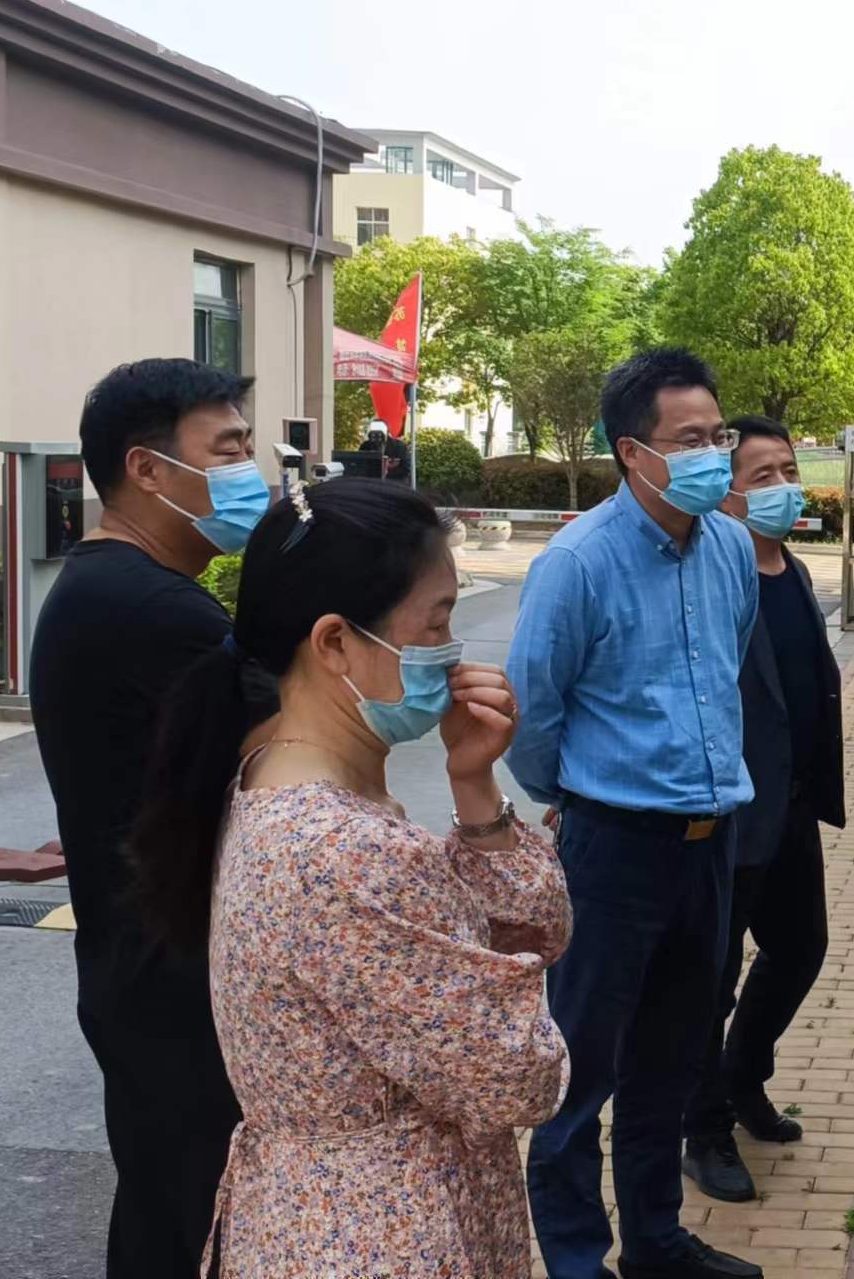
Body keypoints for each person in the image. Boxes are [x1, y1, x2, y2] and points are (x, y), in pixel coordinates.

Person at [127, 477, 567, 1278]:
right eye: (437, 622)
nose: (452, 650)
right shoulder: (348, 851)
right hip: (386, 1232)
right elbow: (518, 1077)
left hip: (309, 1220)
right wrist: (525, 1012)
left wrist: (474, 784)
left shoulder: (265, 774)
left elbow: (528, 932)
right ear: (334, 642)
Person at [512, 348, 764, 1279]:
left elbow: (727, 669)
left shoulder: (730, 547)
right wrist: (576, 798)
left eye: (718, 435)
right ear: (632, 451)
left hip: (708, 847)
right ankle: (578, 1259)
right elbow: (533, 715)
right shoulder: (577, 563)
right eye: (690, 440)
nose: (713, 454)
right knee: (580, 1071)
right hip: (612, 851)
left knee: (671, 1060)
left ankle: (655, 1243)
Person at [30, 358, 261, 1275]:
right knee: (193, 1220)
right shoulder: (151, 610)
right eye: (228, 451)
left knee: (166, 1208)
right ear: (148, 469)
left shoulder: (114, 587)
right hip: (175, 975)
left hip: (142, 963)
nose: (250, 472)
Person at [681, 416, 848, 1203]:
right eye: (763, 476)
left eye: (789, 471)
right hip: (725, 812)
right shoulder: (710, 579)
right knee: (710, 979)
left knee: (800, 948)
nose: (784, 487)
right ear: (727, 493)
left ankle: (743, 1076)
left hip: (791, 805)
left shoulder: (795, 571)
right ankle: (703, 1129)